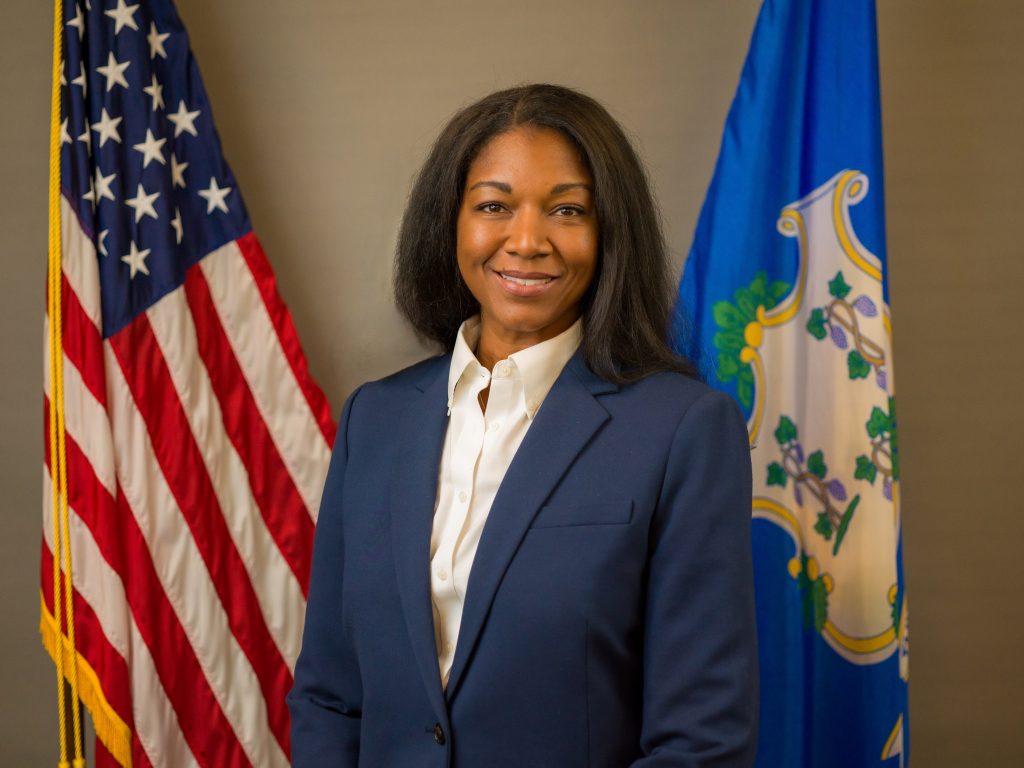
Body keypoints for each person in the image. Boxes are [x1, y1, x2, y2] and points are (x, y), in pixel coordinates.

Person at [288, 83, 758, 767]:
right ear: (450, 222)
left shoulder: (683, 431)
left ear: (607, 233)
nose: (528, 240)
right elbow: (331, 694)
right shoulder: (375, 421)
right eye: (494, 206)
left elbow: (702, 740)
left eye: (567, 209)